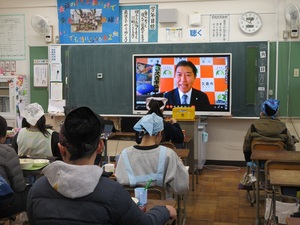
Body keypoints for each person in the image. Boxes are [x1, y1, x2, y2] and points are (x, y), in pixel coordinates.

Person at [26, 106, 176, 225]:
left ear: (61, 148)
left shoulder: (36, 191)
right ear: (100, 147)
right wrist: (163, 210)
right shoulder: (113, 194)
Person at [115, 113, 189, 195]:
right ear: (159, 133)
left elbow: (119, 184)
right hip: (161, 204)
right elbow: (181, 187)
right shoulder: (168, 154)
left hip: (131, 204)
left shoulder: (125, 153)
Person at [0, 115, 31, 218]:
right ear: (3, 136)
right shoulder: (7, 152)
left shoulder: (20, 134)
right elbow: (19, 187)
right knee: (31, 191)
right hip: (3, 205)